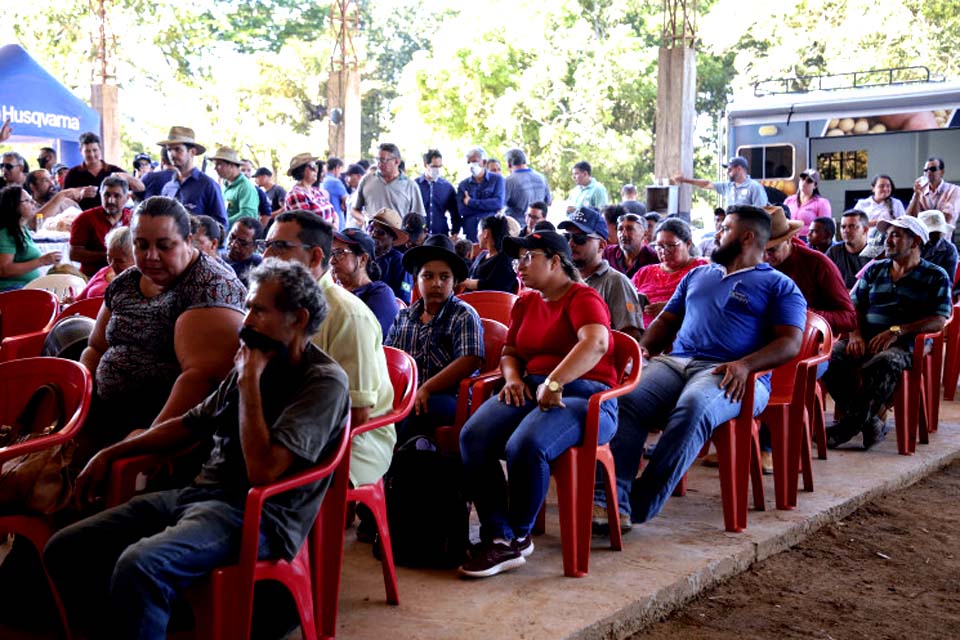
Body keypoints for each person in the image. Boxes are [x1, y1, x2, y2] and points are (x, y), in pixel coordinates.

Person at [44, 259, 350, 640]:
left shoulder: (322, 383)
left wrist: (250, 381)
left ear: (299, 319)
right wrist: (110, 453)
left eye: (258, 310)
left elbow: (263, 471)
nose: (246, 320)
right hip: (200, 495)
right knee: (66, 549)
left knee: (140, 566)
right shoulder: (254, 356)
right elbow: (191, 423)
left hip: (258, 515)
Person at [594, 205, 805, 531]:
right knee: (625, 399)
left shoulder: (780, 285)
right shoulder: (699, 273)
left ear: (746, 237)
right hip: (677, 362)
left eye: (726, 229)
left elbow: (790, 342)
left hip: (734, 374)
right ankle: (611, 500)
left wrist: (745, 365)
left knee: (692, 407)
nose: (718, 234)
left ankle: (639, 504)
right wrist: (644, 349)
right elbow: (667, 319)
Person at [457, 230, 618, 578]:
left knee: (525, 444)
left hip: (586, 396)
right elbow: (510, 352)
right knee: (474, 436)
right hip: (532, 387)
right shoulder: (527, 301)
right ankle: (498, 533)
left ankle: (516, 534)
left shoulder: (582, 297)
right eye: (518, 258)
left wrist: (555, 380)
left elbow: (597, 343)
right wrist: (513, 379)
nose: (520, 266)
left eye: (529, 257)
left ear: (555, 262)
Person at [78, 196, 246, 455]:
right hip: (105, 410)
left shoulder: (211, 287)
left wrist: (144, 443)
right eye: (141, 245)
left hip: (163, 429)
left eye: (164, 246)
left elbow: (200, 381)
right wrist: (81, 408)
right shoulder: (126, 282)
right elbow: (95, 347)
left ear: (188, 241)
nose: (151, 256)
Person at [261, 211, 397, 487]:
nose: (266, 258)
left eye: (280, 247)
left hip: (353, 441)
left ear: (314, 258)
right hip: (293, 425)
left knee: (259, 483)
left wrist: (284, 441)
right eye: (266, 246)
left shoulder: (347, 315)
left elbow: (358, 414)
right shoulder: (277, 307)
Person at [823, 217, 951, 449]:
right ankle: (869, 421)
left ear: (915, 242)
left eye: (896, 235)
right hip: (867, 338)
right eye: (888, 235)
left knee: (884, 362)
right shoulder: (875, 270)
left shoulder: (936, 275)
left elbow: (939, 320)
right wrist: (855, 335)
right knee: (829, 358)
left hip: (906, 344)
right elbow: (853, 307)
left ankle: (848, 427)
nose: (887, 240)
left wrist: (898, 331)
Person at [385, 234, 484, 440]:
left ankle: (397, 466)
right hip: (409, 394)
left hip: (452, 398)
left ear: (455, 282)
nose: (437, 283)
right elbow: (390, 360)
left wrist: (426, 388)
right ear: (415, 280)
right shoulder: (404, 316)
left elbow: (470, 359)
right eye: (428, 276)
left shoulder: (463, 314)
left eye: (444, 277)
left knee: (415, 410)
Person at [762, 205, 856, 339]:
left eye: (772, 250)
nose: (764, 257)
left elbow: (849, 319)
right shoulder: (751, 261)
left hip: (807, 341)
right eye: (760, 250)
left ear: (789, 239)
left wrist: (803, 314)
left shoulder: (818, 264)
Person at [558, 207, 645, 342]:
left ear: (601, 245)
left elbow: (630, 339)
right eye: (566, 237)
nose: (571, 243)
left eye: (580, 238)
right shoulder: (559, 278)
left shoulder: (616, 281)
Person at [631, 218, 708, 329]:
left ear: (688, 244)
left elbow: (707, 305)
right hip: (640, 333)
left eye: (671, 245)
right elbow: (627, 300)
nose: (663, 251)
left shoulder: (701, 269)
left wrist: (673, 308)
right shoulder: (644, 272)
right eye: (659, 246)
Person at [331, 227, 399, 338]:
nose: (332, 261)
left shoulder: (380, 294)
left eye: (339, 253)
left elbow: (362, 339)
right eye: (331, 253)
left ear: (363, 259)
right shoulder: (333, 289)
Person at [157, 126, 228, 229]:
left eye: (177, 149)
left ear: (192, 152)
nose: (171, 154)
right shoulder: (168, 187)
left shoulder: (208, 185)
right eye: (169, 150)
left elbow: (222, 225)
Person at [69, 174, 133, 277]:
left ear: (127, 198)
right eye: (107, 195)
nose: (111, 200)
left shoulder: (133, 219)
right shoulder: (85, 218)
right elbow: (74, 254)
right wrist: (110, 256)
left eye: (117, 196)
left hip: (127, 276)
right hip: (92, 277)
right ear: (100, 195)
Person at [0, 185, 61, 290]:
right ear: (15, 205)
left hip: (27, 287)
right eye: (27, 201)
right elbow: (4, 270)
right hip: (11, 290)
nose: (34, 203)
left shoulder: (22, 229)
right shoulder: (6, 233)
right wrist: (41, 261)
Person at [64, 131, 143, 211]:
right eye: (87, 151)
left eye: (95, 150)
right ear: (81, 151)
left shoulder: (113, 170)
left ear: (100, 149)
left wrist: (127, 177)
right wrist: (80, 194)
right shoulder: (73, 174)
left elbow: (141, 188)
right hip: (83, 218)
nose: (91, 154)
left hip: (112, 219)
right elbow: (64, 201)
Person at [352, 143, 425, 228]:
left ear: (397, 161)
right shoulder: (366, 180)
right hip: (370, 236)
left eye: (383, 160)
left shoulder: (410, 186)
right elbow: (354, 210)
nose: (379, 164)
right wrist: (364, 219)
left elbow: (419, 217)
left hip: (398, 237)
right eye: (377, 160)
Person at [673, 156, 768, 208]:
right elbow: (706, 184)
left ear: (739, 169)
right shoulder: (728, 186)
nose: (727, 172)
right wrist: (684, 180)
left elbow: (762, 211)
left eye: (730, 169)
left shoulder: (754, 187)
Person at [70, 225, 134, 301]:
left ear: (136, 259)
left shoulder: (139, 284)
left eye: (119, 261)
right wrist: (71, 301)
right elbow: (79, 300)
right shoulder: (104, 272)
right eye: (109, 257)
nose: (112, 265)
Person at [457, 146, 506, 242]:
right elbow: (462, 210)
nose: (471, 165)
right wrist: (487, 207)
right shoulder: (463, 184)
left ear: (484, 162)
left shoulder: (497, 179)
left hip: (491, 231)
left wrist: (471, 202)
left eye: (474, 161)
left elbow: (498, 203)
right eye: (469, 162)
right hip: (471, 232)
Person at [461, 215, 518, 294]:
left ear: (486, 233)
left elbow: (494, 287)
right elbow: (470, 275)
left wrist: (467, 282)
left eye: (478, 231)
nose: (477, 235)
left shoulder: (506, 259)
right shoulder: (483, 254)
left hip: (489, 303)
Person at [854, 174, 906, 258]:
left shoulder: (896, 203)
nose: (885, 189)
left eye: (888, 186)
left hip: (889, 245)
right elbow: (854, 225)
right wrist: (876, 223)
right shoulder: (862, 204)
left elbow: (903, 224)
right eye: (881, 186)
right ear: (873, 188)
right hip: (864, 244)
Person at [369, 208, 414, 304]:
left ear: (393, 238)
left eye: (380, 232)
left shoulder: (400, 261)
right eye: (371, 228)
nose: (373, 234)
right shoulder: (364, 256)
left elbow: (403, 301)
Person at [209, 146, 259, 228]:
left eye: (219, 164)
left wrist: (222, 224)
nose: (215, 168)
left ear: (231, 165)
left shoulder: (245, 187)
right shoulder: (225, 185)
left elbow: (248, 215)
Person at [284, 154, 337, 227]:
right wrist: (331, 228)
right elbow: (307, 224)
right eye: (312, 166)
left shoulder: (317, 191)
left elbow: (334, 213)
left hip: (328, 235)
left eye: (316, 166)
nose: (316, 170)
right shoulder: (295, 194)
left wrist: (335, 224)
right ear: (301, 170)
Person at [503, 148, 551, 228]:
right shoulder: (541, 177)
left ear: (509, 164)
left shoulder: (509, 181)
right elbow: (548, 202)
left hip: (517, 228)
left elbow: (499, 206)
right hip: (539, 226)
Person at [416, 149, 460, 236]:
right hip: (419, 236)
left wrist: (455, 232)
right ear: (425, 164)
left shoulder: (448, 187)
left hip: (441, 235)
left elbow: (455, 213)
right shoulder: (415, 185)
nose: (437, 170)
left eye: (439, 166)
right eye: (434, 166)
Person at [602, 210, 658, 278]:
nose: (623, 234)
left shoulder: (654, 259)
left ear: (645, 234)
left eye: (630, 229)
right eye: (620, 229)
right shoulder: (607, 253)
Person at [905, 157, 960, 223]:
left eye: (933, 169)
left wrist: (921, 218)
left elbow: (947, 217)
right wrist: (916, 195)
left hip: (943, 233)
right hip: (922, 233)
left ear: (942, 172)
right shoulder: (920, 190)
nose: (928, 172)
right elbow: (910, 217)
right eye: (925, 170)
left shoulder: (954, 190)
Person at [826, 209, 871, 289]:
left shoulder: (873, 255)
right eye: (843, 227)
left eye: (852, 226)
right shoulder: (834, 252)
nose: (845, 230)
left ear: (865, 230)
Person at [782, 169, 831, 239]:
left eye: (809, 181)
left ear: (815, 186)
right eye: (803, 178)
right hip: (788, 238)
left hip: (809, 240)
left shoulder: (822, 203)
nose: (804, 182)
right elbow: (781, 221)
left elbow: (824, 228)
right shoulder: (789, 200)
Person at [918, 209, 958, 282]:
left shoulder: (949, 250)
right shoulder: (912, 245)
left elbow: (948, 280)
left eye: (938, 231)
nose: (937, 235)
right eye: (932, 232)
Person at [224, 216, 263, 287]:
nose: (233, 244)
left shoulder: (258, 269)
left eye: (242, 243)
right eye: (232, 237)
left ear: (255, 246)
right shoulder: (218, 258)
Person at [322, 157, 349, 228]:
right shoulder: (335, 182)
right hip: (337, 221)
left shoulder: (322, 181)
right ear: (337, 167)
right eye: (340, 169)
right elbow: (348, 200)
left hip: (326, 219)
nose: (340, 173)